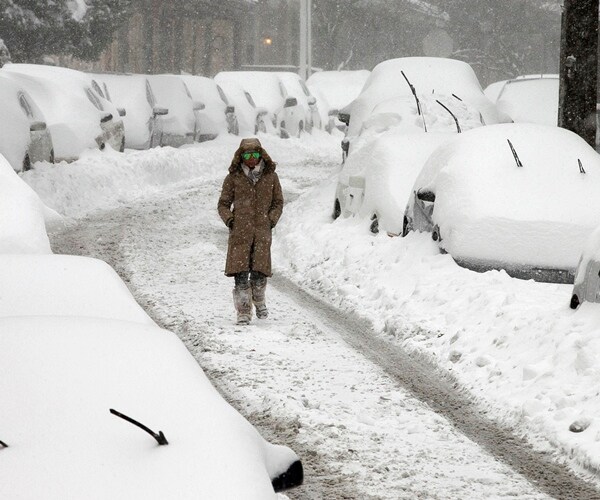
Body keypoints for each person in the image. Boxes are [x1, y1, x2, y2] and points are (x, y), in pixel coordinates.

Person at [218, 138, 284, 325]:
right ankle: (244, 311)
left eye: (255, 154)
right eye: (247, 154)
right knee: (240, 275)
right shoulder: (233, 178)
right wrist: (230, 220)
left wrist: (271, 219)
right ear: (241, 156)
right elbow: (223, 204)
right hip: (240, 233)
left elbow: (278, 202)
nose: (251, 158)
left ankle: (259, 299)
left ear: (261, 155)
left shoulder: (271, 177)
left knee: (259, 273)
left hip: (262, 232)